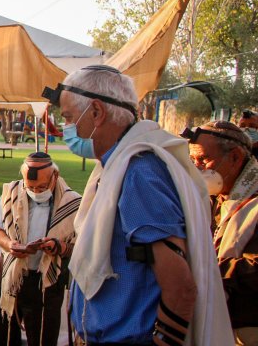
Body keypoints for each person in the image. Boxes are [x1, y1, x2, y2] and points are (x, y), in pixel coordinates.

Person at [41, 64, 232, 345]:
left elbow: (180, 287)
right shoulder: (117, 167)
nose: (68, 129)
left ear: (96, 112)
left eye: (69, 118)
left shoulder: (139, 174)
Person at [0, 152, 81, 346]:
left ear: (55, 176)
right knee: (1, 335)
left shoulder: (73, 203)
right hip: (10, 276)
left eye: (42, 187)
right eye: (31, 188)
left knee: (43, 338)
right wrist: (10, 245)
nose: (36, 192)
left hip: (46, 282)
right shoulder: (12, 192)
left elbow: (79, 247)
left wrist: (59, 247)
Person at [184, 121, 258, 345]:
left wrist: (203, 268)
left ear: (235, 157)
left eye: (203, 160)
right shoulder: (213, 198)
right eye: (193, 160)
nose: (197, 168)